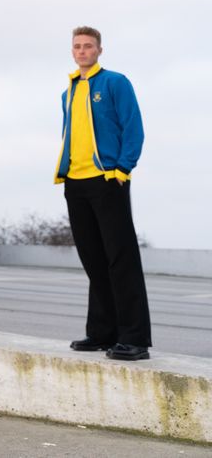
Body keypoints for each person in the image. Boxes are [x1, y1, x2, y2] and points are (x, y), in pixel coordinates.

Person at [54, 26, 151, 360]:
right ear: (73, 51)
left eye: (88, 46)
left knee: (121, 259)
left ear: (99, 50)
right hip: (75, 183)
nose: (82, 51)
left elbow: (133, 126)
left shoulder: (114, 83)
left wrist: (123, 168)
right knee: (94, 261)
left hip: (108, 179)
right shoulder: (68, 91)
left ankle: (135, 339)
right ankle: (101, 332)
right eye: (77, 46)